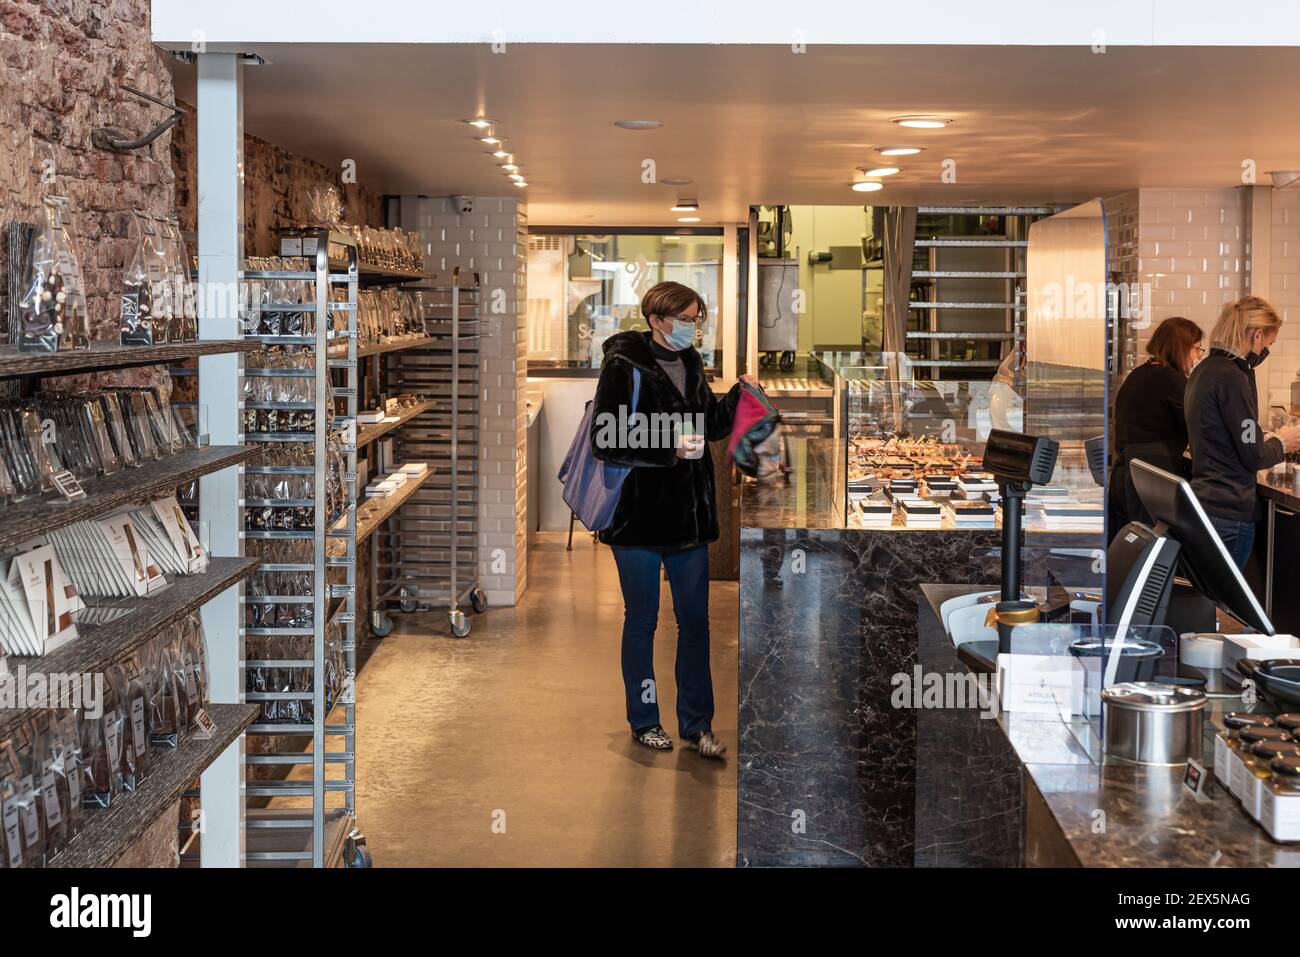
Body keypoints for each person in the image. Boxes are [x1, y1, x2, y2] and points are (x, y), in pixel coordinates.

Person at [590, 281, 753, 757]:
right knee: (642, 620)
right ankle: (644, 720)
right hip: (638, 521)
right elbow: (607, 438)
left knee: (695, 622)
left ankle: (697, 724)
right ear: (657, 321)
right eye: (684, 319)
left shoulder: (692, 362)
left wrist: (740, 396)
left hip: (688, 521)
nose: (692, 328)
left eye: (696, 319)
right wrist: (668, 447)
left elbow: (708, 425)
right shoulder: (623, 366)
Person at [1185, 296, 1300, 568]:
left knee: (1209, 598)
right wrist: (1284, 442)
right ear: (1257, 335)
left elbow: (1240, 433)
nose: (1266, 350)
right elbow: (1254, 453)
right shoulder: (1231, 377)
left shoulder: (1205, 370)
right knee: (1223, 601)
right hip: (1229, 512)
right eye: (1268, 344)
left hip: (1206, 503)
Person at [1108, 317, 1204, 537]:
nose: (1198, 357)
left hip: (1126, 472)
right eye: (1197, 349)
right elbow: (1197, 423)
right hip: (1150, 476)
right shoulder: (1171, 379)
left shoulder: (1141, 374)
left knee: (1130, 547)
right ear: (1182, 347)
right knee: (1150, 550)